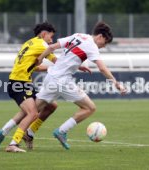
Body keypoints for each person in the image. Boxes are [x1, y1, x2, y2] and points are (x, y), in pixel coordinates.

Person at [22, 21, 127, 150]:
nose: (103, 47)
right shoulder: (92, 45)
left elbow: (52, 47)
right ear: (100, 36)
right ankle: (61, 131)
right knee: (89, 108)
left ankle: (8, 133)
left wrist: (40, 59)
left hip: (51, 77)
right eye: (104, 43)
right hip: (62, 81)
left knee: (31, 112)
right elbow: (102, 68)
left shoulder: (78, 35)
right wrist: (115, 83)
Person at [0, 22, 91, 152]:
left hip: (21, 82)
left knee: (51, 106)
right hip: (19, 84)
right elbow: (59, 62)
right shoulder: (42, 45)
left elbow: (35, 66)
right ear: (44, 34)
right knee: (32, 113)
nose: (51, 40)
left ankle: (6, 133)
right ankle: (13, 144)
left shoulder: (29, 43)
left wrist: (50, 68)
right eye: (51, 37)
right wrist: (78, 66)